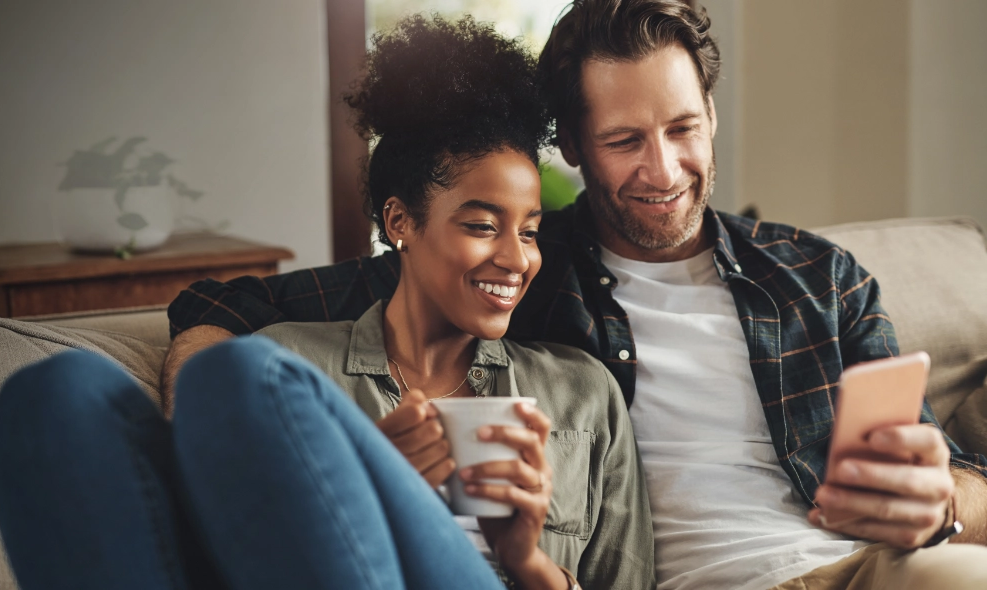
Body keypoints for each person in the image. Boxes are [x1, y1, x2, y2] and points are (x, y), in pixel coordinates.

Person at [164, 1, 987, 589]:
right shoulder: (523, 269)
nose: (662, 171)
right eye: (625, 141)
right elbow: (231, 309)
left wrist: (939, 502)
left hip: (876, 568)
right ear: (575, 150)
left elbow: (955, 485)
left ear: (710, 111)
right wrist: (199, 386)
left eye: (682, 129)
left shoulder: (815, 276)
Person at [0, 15, 653, 590]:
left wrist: (529, 563)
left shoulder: (581, 396)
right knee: (55, 393)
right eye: (481, 226)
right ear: (400, 223)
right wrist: (371, 481)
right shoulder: (297, 367)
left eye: (530, 231)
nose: (516, 258)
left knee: (240, 374)